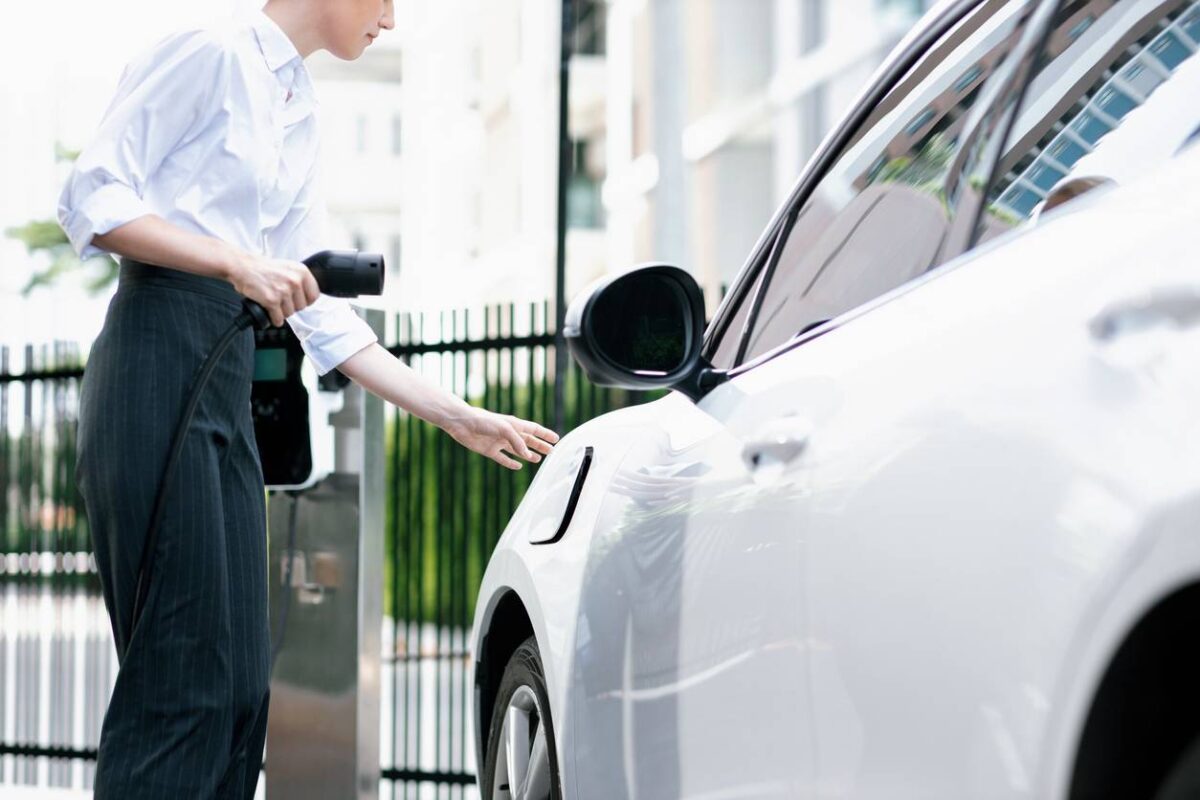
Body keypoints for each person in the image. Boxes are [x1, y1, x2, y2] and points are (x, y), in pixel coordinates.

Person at [56, 1, 558, 796]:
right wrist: (234, 262)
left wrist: (458, 416)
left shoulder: (296, 107)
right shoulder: (210, 49)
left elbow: (323, 312)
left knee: (241, 691)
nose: (391, 21)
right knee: (182, 684)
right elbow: (91, 195)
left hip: (223, 377)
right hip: (157, 357)